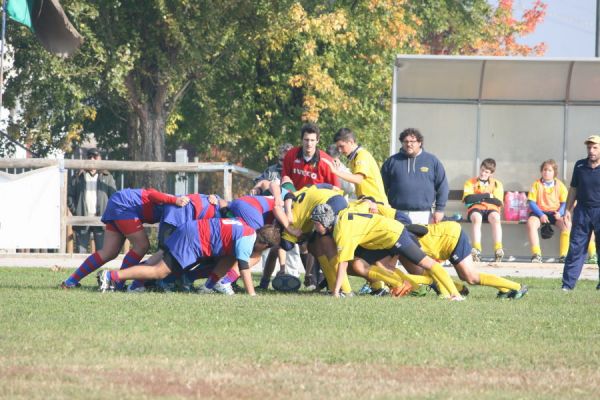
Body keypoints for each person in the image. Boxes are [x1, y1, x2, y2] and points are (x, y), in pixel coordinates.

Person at [310, 204, 464, 300]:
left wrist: (336, 291)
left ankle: (454, 294)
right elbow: (365, 205)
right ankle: (400, 284)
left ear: (323, 222)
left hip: (394, 235)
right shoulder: (343, 213)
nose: (315, 228)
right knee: (359, 265)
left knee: (428, 263)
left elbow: (342, 264)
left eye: (316, 224)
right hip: (381, 240)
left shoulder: (341, 231)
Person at [98, 219, 280, 296]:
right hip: (193, 239)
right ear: (264, 245)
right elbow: (244, 270)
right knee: (159, 271)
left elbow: (230, 260)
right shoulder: (247, 241)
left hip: (192, 231)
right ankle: (111, 277)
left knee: (228, 257)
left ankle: (209, 286)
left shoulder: (246, 229)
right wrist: (252, 295)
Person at [61, 188, 189, 289]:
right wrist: (175, 200)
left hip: (119, 202)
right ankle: (118, 282)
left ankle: (70, 281)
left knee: (109, 252)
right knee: (142, 246)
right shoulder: (176, 201)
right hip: (124, 205)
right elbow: (152, 195)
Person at [394, 221, 528, 299]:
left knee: (471, 277)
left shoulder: (403, 235)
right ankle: (503, 290)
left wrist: (408, 228)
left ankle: (518, 287)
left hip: (453, 236)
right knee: (463, 277)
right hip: (445, 245)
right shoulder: (395, 243)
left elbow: (421, 230)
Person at [281, 123, 340, 288]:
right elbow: (285, 179)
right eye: (306, 140)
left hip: (319, 208)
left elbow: (336, 189)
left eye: (312, 140)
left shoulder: (326, 161)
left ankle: (318, 279)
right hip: (297, 205)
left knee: (319, 241)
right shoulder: (291, 155)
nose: (309, 144)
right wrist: (292, 197)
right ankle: (288, 276)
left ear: (318, 141)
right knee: (289, 242)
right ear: (301, 140)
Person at [381, 128, 448, 224]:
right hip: (397, 214)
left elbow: (443, 186)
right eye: (406, 141)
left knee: (421, 239)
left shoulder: (432, 161)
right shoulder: (392, 162)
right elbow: (381, 187)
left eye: (412, 141)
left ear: (420, 143)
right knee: (398, 240)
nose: (409, 144)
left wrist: (440, 209)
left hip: (423, 215)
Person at [562, 135, 600, 291]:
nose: (591, 151)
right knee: (576, 248)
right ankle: (567, 285)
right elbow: (574, 189)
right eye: (589, 148)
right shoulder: (579, 166)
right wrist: (567, 210)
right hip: (582, 211)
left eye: (595, 148)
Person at [67, 148, 117, 253]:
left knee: (102, 253)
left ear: (100, 159)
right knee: (81, 253)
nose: (92, 159)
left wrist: (108, 213)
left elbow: (114, 198)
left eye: (95, 157)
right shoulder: (77, 177)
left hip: (101, 219)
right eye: (89, 157)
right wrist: (76, 211)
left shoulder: (107, 177)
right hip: (82, 219)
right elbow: (69, 196)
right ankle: (81, 269)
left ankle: (102, 270)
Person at [526, 159, 570, 263]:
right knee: (531, 223)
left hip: (555, 213)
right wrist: (540, 214)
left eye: (549, 170)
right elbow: (531, 202)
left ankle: (564, 255)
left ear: (554, 172)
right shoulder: (536, 184)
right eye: (544, 170)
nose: (546, 172)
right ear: (541, 171)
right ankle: (536, 254)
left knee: (567, 224)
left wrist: (560, 213)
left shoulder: (560, 185)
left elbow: (564, 203)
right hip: (539, 213)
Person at [462, 158, 505, 263]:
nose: (483, 173)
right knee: (477, 218)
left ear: (491, 173)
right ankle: (476, 249)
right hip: (476, 208)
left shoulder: (497, 184)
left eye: (486, 172)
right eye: (482, 170)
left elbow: (498, 202)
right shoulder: (470, 182)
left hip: (491, 209)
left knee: (496, 218)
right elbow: (468, 199)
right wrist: (487, 195)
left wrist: (478, 196)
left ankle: (498, 249)